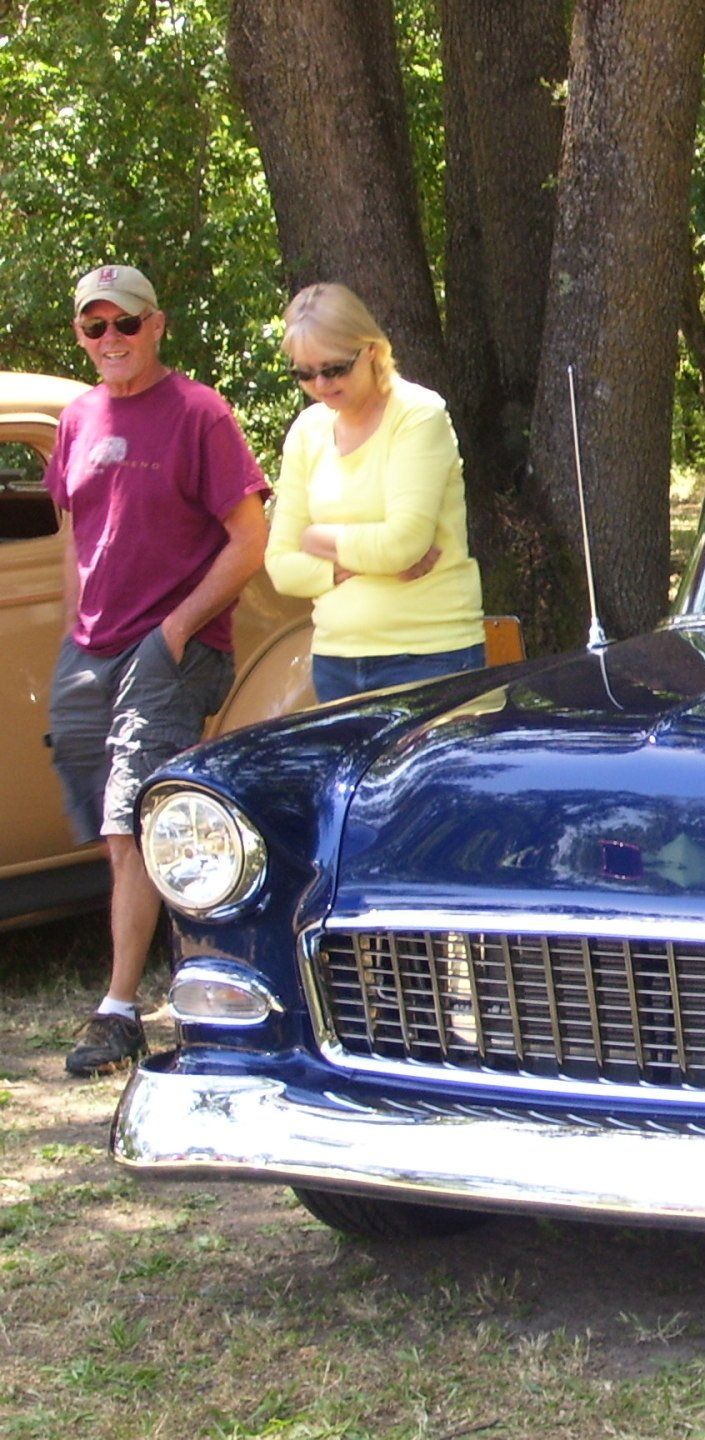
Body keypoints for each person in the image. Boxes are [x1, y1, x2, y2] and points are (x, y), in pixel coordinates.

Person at [47, 264, 269, 1077]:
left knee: (128, 819)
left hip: (170, 647)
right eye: (94, 326)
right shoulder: (76, 418)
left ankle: (119, 1012)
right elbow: (79, 535)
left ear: (156, 325)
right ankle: (188, 968)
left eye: (125, 324)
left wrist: (174, 632)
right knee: (108, 818)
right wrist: (77, 629)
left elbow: (252, 540)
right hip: (92, 646)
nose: (111, 340)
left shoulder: (199, 414)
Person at [266, 283, 485, 703]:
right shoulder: (307, 432)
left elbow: (403, 545)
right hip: (335, 660)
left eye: (334, 369)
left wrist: (316, 540)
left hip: (429, 653)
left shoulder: (419, 415)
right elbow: (280, 566)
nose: (320, 384)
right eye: (304, 373)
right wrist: (359, 564)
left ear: (370, 350)